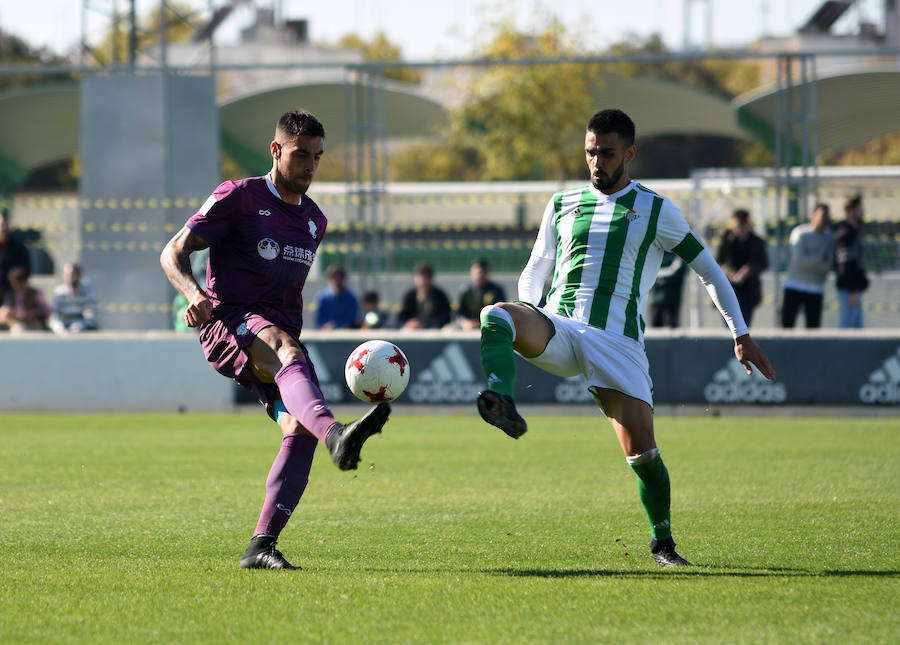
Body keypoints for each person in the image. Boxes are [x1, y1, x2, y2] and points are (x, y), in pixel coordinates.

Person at [475, 109, 775, 568]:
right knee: (495, 314)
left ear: (630, 154)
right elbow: (537, 266)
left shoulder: (657, 209)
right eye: (591, 152)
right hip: (558, 326)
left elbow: (709, 270)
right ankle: (500, 398)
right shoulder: (561, 204)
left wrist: (741, 333)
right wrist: (530, 307)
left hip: (617, 342)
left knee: (643, 452)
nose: (597, 162)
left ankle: (663, 543)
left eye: (607, 153)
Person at [160, 110, 391, 571]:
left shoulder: (314, 221)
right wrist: (195, 295)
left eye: (317, 158)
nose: (309, 166)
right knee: (288, 352)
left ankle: (261, 546)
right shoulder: (239, 197)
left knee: (298, 429)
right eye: (301, 155)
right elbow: (173, 251)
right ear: (276, 150)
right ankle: (338, 435)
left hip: (275, 335)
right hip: (229, 322)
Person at [781, 203, 835, 329]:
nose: (824, 220)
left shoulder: (829, 238)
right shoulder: (800, 233)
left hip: (815, 288)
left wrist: (811, 261)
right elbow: (799, 261)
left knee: (813, 328)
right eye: (822, 216)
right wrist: (819, 262)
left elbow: (829, 265)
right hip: (794, 284)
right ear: (813, 215)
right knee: (787, 326)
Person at [715, 209, 769, 327]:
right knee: (728, 325)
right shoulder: (726, 240)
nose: (740, 229)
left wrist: (749, 270)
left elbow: (764, 263)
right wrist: (728, 272)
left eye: (743, 225)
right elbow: (717, 262)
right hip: (728, 288)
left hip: (748, 290)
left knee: (744, 326)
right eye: (738, 225)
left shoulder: (757, 241)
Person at [834, 194, 868, 328]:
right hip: (849, 290)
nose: (863, 212)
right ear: (851, 211)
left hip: (853, 288)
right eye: (860, 209)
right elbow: (844, 264)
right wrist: (852, 290)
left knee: (857, 328)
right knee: (848, 330)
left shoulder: (853, 232)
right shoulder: (845, 233)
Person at [454, 258, 506, 330]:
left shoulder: (496, 291)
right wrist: (465, 322)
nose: (479, 275)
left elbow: (502, 312)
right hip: (468, 328)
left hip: (490, 327)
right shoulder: (465, 291)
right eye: (476, 272)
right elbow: (458, 314)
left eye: (482, 272)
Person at [397, 261, 451, 329]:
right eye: (420, 277)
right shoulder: (409, 296)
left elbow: (444, 317)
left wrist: (424, 325)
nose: (423, 281)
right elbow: (400, 318)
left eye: (426, 277)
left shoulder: (440, 296)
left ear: (431, 279)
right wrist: (409, 324)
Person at [49, 263, 100, 334]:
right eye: (67, 275)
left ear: (79, 275)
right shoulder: (59, 293)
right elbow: (54, 317)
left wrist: (77, 327)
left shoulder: (87, 292)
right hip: (64, 330)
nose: (70, 277)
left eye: (73, 274)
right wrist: (60, 330)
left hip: (84, 330)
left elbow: (91, 317)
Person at [0, 265, 51, 332]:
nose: (14, 285)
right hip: (14, 322)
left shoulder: (36, 294)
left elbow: (45, 311)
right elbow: (7, 309)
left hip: (32, 324)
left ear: (24, 282)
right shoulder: (10, 294)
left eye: (16, 283)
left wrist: (28, 314)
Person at [648, 251, 686, 328]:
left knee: (672, 332)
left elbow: (676, 270)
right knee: (655, 331)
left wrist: (656, 275)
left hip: (672, 301)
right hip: (655, 300)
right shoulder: (655, 253)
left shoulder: (678, 255)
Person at [0, 208, 31, 304]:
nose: (3, 228)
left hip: (13, 293)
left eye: (4, 225)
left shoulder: (18, 247)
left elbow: (26, 270)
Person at [314, 264, 358, 330]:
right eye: (334, 278)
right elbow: (318, 321)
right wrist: (326, 327)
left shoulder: (351, 298)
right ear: (329, 279)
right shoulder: (322, 298)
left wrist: (336, 325)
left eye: (339, 278)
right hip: (326, 336)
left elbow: (351, 319)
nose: (337, 281)